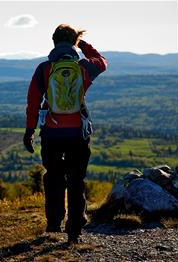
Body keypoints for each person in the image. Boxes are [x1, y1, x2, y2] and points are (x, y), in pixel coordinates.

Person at [23, 24, 107, 243]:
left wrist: (30, 130)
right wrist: (83, 45)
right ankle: (75, 228)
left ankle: (53, 222)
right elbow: (103, 62)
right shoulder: (84, 67)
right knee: (76, 178)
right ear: (73, 43)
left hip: (51, 132)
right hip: (78, 132)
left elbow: (33, 102)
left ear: (53, 42)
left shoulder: (44, 69)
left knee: (54, 176)